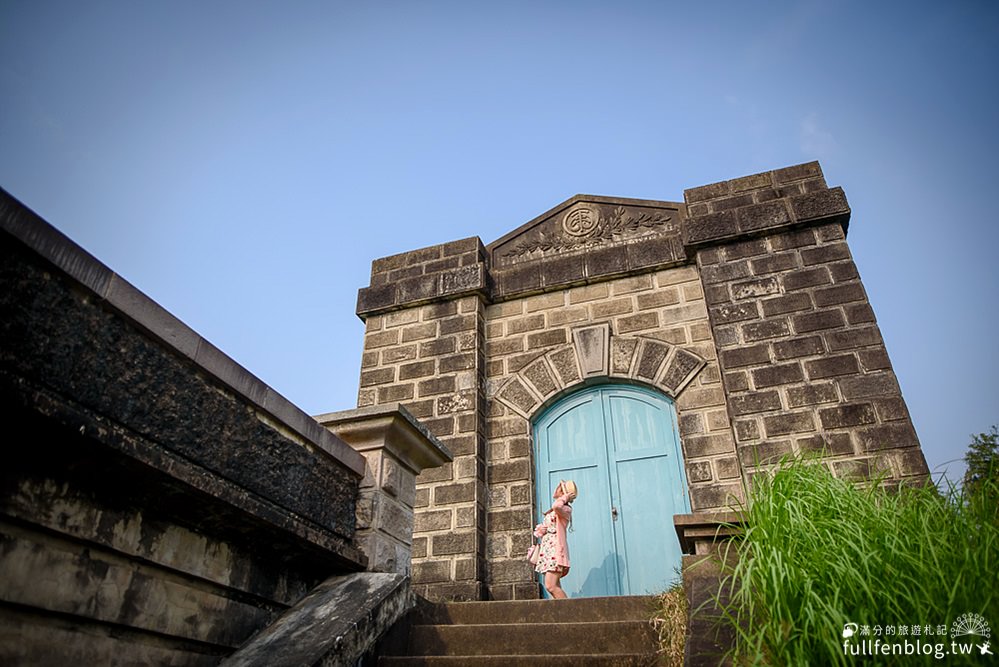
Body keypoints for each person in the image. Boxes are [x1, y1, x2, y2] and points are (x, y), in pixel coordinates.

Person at [533, 479, 578, 599]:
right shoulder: (554, 511)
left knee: (550, 585)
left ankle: (569, 612)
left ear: (564, 493)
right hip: (548, 550)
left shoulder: (565, 509)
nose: (556, 488)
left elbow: (556, 505)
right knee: (555, 585)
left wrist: (565, 498)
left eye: (560, 487)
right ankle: (564, 614)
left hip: (556, 550)